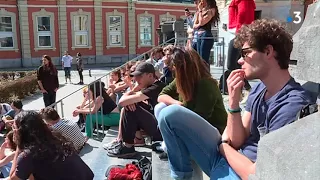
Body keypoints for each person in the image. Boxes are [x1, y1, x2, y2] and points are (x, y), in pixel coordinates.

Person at [156, 19, 315, 180]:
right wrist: (233, 102)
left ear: (268, 52)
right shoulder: (261, 88)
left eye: (246, 53)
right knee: (168, 114)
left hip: (238, 172)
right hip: (226, 159)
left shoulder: (292, 104)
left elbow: (256, 172)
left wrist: (223, 147)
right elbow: (238, 140)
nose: (240, 60)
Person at [155, 46, 227, 133]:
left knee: (170, 113)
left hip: (213, 130)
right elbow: (161, 96)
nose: (173, 68)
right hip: (193, 125)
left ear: (185, 67)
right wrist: (177, 104)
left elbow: (200, 118)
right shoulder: (181, 80)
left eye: (175, 66)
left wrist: (177, 114)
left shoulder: (206, 84)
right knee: (160, 107)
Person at [8, 111, 94, 180]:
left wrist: (19, 145)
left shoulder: (28, 155)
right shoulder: (55, 138)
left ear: (20, 131)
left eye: (14, 128)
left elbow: (13, 178)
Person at [106, 62, 165, 158]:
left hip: (161, 132)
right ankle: (128, 140)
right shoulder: (150, 86)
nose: (136, 79)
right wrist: (132, 96)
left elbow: (121, 102)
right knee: (130, 105)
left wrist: (132, 95)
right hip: (157, 127)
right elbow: (124, 102)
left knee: (129, 107)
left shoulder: (156, 87)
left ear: (150, 75)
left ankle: (128, 147)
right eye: (135, 76)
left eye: (139, 76)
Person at [192, 0, 220, 67]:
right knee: (198, 58)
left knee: (203, 59)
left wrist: (200, 11)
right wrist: (200, 12)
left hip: (206, 35)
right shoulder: (200, 11)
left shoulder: (211, 10)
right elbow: (194, 26)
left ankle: (206, 75)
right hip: (199, 36)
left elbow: (202, 22)